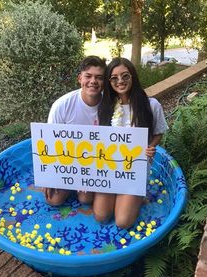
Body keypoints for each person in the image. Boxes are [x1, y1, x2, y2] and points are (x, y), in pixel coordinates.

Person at [94, 57, 168, 229]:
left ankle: (134, 196)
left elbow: (158, 133)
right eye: (114, 78)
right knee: (101, 215)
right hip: (111, 168)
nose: (120, 81)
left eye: (125, 76)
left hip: (135, 169)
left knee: (122, 222)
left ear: (133, 76)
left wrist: (151, 146)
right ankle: (124, 196)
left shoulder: (151, 105)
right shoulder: (106, 106)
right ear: (109, 81)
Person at [44, 55, 106, 206]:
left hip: (96, 162)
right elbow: (50, 142)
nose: (93, 81)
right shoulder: (62, 105)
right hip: (68, 162)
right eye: (88, 76)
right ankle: (72, 186)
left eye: (99, 77)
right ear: (80, 78)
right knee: (53, 200)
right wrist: (48, 176)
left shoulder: (111, 105)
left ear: (104, 82)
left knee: (86, 199)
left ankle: (81, 189)